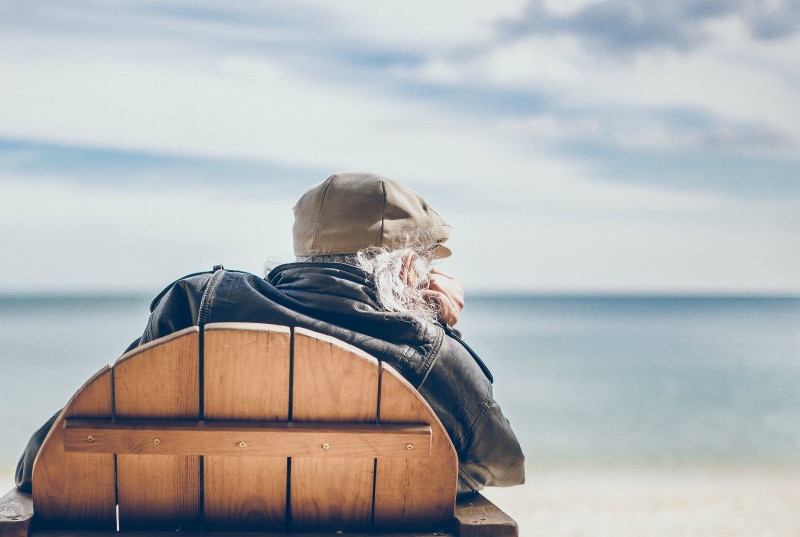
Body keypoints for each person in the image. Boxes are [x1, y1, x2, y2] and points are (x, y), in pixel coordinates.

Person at [16, 172, 524, 495]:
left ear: (303, 249)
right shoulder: (427, 353)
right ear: (406, 266)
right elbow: (498, 468)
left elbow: (41, 462)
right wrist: (431, 328)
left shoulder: (199, 304)